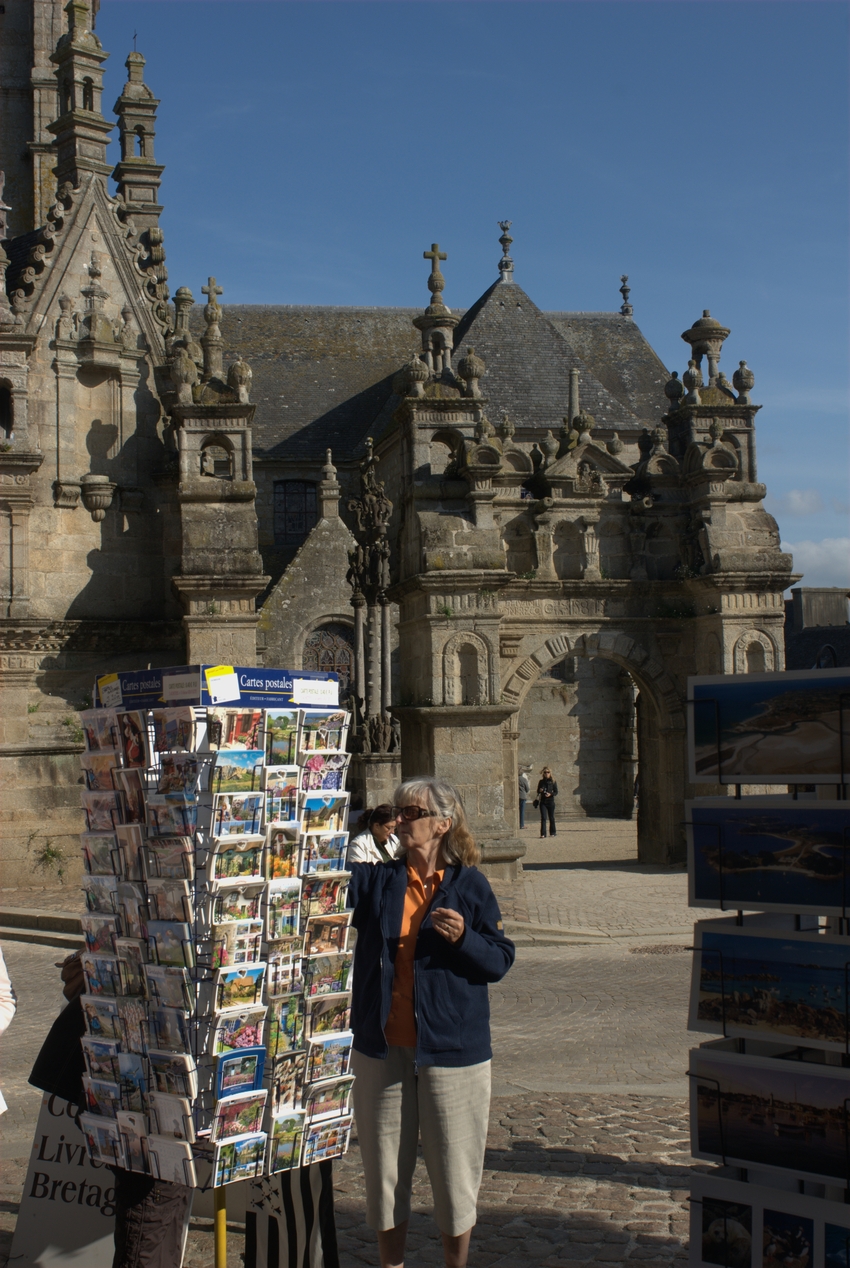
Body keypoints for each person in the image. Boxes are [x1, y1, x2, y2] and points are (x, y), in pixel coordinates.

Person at [347, 777, 516, 1268]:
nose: (399, 820)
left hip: (453, 1050)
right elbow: (324, 881)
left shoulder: (470, 885)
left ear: (442, 824)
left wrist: (465, 939)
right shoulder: (379, 881)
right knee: (384, 1172)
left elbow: (499, 960)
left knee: (454, 1174)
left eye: (411, 813)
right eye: (397, 811)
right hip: (382, 1047)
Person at [536, 766, 558, 838]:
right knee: (543, 817)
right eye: (545, 772)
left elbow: (556, 792)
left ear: (550, 773)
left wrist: (550, 794)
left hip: (550, 801)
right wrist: (540, 790)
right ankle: (543, 834)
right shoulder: (541, 782)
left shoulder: (553, 781)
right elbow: (538, 791)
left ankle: (553, 832)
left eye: (548, 772)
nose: (546, 774)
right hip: (543, 801)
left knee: (551, 817)